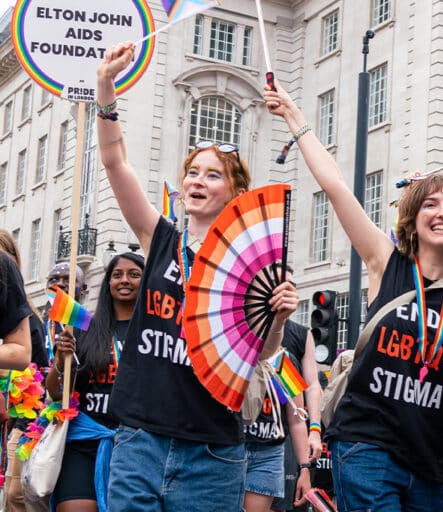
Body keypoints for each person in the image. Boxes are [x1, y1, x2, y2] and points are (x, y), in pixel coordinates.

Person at [264, 83, 443, 511]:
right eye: (430, 205)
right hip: (366, 447)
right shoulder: (387, 263)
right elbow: (336, 188)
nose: (442, 212)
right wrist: (296, 119)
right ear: (412, 218)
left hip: (429, 462)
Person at [96, 43, 298, 511]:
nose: (197, 181)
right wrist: (106, 88)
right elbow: (115, 163)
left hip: (214, 451)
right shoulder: (159, 237)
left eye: (212, 174)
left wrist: (280, 317)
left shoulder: (253, 265)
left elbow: (261, 355)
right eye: (192, 172)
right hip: (141, 440)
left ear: (236, 191)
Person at [44, 252, 144, 512]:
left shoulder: (155, 332)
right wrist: (60, 360)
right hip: (84, 443)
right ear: (107, 283)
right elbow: (56, 393)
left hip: (137, 447)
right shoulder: (83, 328)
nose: (124, 280)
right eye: (117, 275)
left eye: (134, 274)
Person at [0, 231, 46, 512]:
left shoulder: (31, 320)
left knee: (17, 493)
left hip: (26, 416)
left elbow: (27, 360)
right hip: (12, 415)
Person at [272, 264, 323, 512]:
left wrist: (315, 430)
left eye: (291, 285)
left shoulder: (301, 334)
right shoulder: (245, 327)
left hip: (288, 436)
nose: (286, 289)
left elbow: (312, 386)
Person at [243, 351, 311, 512]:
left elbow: (297, 420)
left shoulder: (280, 361)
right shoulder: (234, 353)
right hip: (231, 448)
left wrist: (304, 467)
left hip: (267, 453)